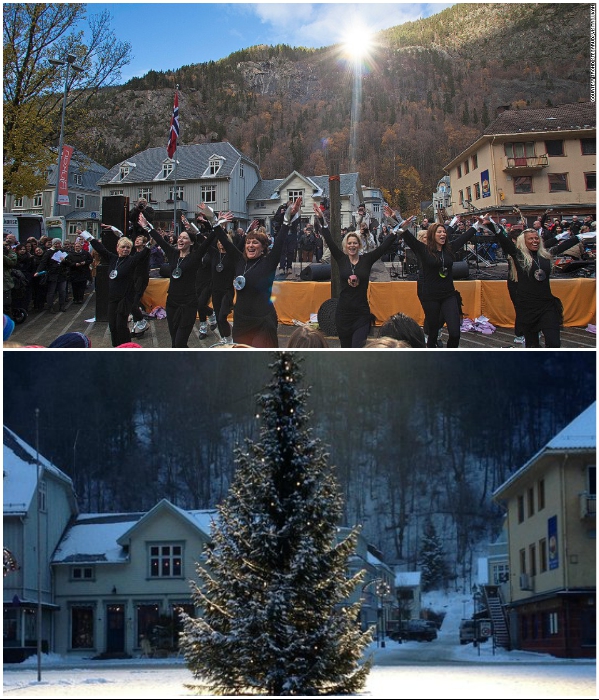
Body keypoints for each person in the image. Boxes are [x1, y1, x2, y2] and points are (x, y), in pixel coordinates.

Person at [314, 203, 414, 348]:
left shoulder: (367, 259)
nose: (352, 246)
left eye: (355, 243)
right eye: (349, 243)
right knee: (346, 350)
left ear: (359, 245)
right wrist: (322, 219)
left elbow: (384, 247)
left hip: (361, 314)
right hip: (343, 314)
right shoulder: (341, 259)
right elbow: (329, 239)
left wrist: (398, 228)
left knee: (358, 350)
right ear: (345, 246)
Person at [214, 197, 303, 347]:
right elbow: (223, 240)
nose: (250, 245)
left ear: (262, 248)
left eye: (255, 242)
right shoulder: (239, 261)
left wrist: (288, 218)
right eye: (248, 242)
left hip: (263, 321)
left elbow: (280, 239)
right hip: (241, 321)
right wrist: (215, 221)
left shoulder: (268, 262)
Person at [385, 205, 477, 348]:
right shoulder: (423, 250)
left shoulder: (449, 249)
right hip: (430, 296)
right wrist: (395, 218)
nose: (443, 234)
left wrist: (478, 224)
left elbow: (465, 237)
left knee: (455, 332)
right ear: (432, 235)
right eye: (439, 232)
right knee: (433, 332)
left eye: (444, 232)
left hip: (448, 295)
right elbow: (406, 235)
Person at [489, 220, 588, 348]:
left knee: (553, 343)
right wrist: (492, 225)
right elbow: (505, 241)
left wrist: (582, 236)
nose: (535, 241)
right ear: (523, 242)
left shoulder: (545, 255)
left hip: (547, 305)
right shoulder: (519, 256)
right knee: (532, 345)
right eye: (530, 239)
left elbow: (563, 246)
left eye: (537, 238)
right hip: (528, 308)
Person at [140, 210, 230, 347]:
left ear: (191, 243)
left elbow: (209, 240)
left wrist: (220, 223)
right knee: (174, 342)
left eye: (185, 238)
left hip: (188, 303)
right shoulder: (172, 254)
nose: (181, 240)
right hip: (172, 303)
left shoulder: (195, 256)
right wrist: (147, 226)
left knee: (180, 341)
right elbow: (158, 239)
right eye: (180, 237)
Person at [79, 225, 150, 347]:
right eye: (123, 247)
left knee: (120, 325)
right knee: (112, 325)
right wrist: (86, 236)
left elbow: (145, 251)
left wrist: (148, 232)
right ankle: (116, 347)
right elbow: (100, 249)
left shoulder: (132, 260)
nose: (126, 249)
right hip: (113, 298)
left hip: (125, 298)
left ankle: (127, 347)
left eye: (128, 247)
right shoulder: (113, 259)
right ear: (117, 248)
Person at [34, 238, 69, 312]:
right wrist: (38, 271)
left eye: (59, 243)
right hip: (52, 274)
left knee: (62, 291)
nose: (57, 245)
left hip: (62, 274)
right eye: (56, 243)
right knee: (51, 292)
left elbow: (69, 262)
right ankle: (50, 307)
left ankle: (62, 306)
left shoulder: (63, 251)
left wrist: (64, 261)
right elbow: (43, 263)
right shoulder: (48, 252)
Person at [130, 232, 151, 334]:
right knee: (134, 303)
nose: (137, 241)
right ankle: (138, 326)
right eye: (136, 240)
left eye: (139, 240)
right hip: (133, 279)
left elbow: (151, 243)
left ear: (144, 243)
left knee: (133, 304)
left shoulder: (145, 252)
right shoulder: (134, 253)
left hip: (141, 280)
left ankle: (142, 322)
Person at [65, 238, 93, 304]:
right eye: (76, 246)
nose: (77, 247)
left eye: (79, 246)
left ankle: (80, 298)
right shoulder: (70, 254)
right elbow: (68, 263)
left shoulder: (85, 253)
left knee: (82, 287)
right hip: (74, 273)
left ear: (81, 247)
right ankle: (75, 298)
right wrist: (74, 264)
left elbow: (90, 260)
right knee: (75, 287)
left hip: (83, 272)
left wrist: (85, 262)